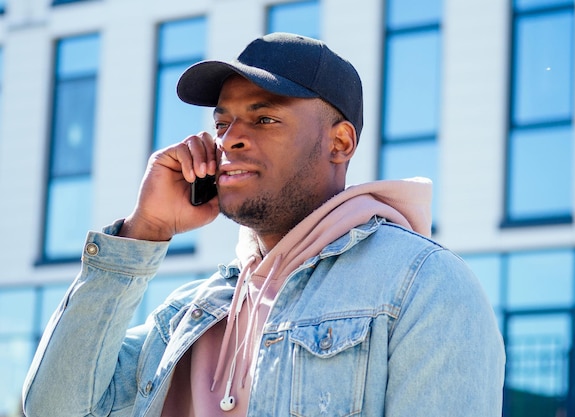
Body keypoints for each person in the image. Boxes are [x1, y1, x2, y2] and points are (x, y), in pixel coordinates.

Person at [22, 32, 505, 417]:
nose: (230, 140)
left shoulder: (425, 287)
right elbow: (54, 407)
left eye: (265, 119)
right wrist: (144, 229)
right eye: (223, 123)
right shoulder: (189, 313)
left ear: (340, 143)